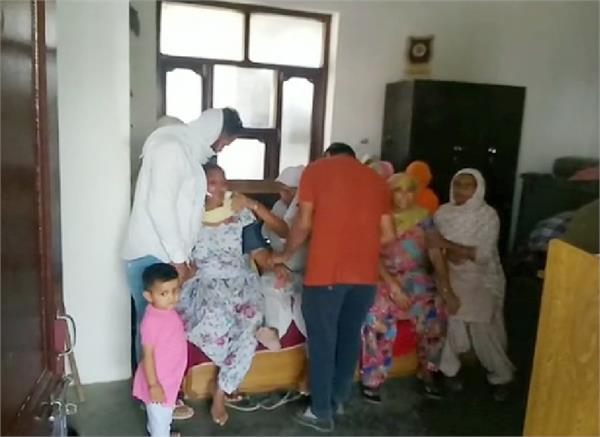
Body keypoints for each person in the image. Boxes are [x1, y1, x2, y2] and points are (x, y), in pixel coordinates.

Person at [271, 142, 395, 433]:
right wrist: (360, 244)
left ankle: (320, 411)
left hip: (326, 274)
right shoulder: (377, 180)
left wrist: (285, 255)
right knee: (348, 339)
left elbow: (303, 223)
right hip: (365, 277)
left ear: (327, 156)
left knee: (323, 343)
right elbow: (389, 234)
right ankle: (337, 400)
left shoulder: (316, 171)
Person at [122, 108, 243, 366]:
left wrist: (184, 257)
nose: (221, 148)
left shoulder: (188, 153)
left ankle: (161, 388)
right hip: (152, 254)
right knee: (153, 332)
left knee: (161, 330)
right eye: (224, 142)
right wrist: (179, 260)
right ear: (215, 132)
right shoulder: (171, 148)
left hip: (166, 254)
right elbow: (160, 207)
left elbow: (185, 213)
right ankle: (152, 390)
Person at [177, 163, 288, 426]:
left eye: (223, 181)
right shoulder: (188, 218)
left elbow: (263, 249)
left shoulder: (240, 214)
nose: (221, 187)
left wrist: (275, 265)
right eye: (213, 182)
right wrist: (184, 278)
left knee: (250, 322)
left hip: (240, 280)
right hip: (205, 282)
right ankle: (232, 377)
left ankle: (221, 390)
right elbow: (180, 260)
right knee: (212, 318)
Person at [360, 173, 459, 401]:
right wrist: (393, 286)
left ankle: (428, 370)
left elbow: (436, 254)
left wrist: (446, 289)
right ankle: (373, 377)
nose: (404, 196)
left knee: (436, 309)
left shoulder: (424, 218)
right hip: (383, 277)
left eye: (410, 190)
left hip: (417, 277)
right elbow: (370, 254)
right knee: (376, 312)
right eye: (398, 190)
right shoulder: (377, 216)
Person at [433, 169, 515, 401]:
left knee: (484, 330)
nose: (461, 190)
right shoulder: (443, 213)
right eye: (457, 184)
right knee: (451, 324)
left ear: (478, 189)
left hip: (481, 278)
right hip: (449, 275)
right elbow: (435, 249)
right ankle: (449, 372)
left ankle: (501, 376)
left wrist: (449, 246)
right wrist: (453, 252)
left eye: (467, 186)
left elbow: (483, 255)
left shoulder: (487, 216)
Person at [132, 263, 187, 437]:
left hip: (169, 376)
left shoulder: (166, 311)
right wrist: (153, 385)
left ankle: (157, 430)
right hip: (159, 381)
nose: (172, 297)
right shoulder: (151, 322)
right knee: (161, 419)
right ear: (148, 296)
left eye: (175, 290)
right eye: (164, 293)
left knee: (162, 416)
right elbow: (147, 355)